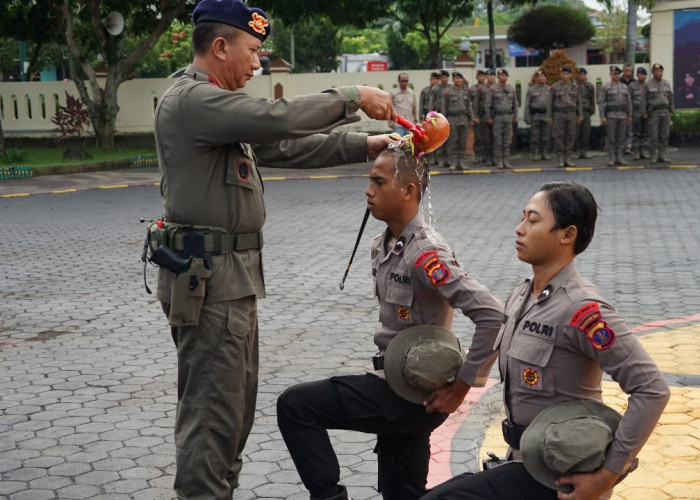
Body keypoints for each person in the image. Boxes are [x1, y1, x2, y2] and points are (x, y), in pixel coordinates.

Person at [151, 1, 395, 497]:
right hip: (211, 283)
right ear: (219, 47)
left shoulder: (217, 110)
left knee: (232, 414)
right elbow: (278, 118)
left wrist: (364, 144)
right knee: (211, 422)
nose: (257, 62)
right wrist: (353, 96)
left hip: (228, 279)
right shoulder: (194, 101)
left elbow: (286, 147)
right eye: (253, 50)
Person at [277, 144, 504, 500]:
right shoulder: (383, 244)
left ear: (408, 191)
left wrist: (462, 387)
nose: (368, 190)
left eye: (378, 182)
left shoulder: (426, 254)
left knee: (296, 406)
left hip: (411, 397)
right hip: (399, 383)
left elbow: (493, 316)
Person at [422, 180, 670, 500]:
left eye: (533, 220)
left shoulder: (583, 310)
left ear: (567, 235)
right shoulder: (521, 295)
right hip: (524, 461)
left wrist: (606, 476)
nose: (519, 228)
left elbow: (652, 389)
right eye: (523, 217)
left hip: (558, 475)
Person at [598, 65, 632, 166]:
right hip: (611, 115)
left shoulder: (624, 87)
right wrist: (602, 116)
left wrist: (629, 115)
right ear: (610, 74)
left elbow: (628, 102)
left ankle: (619, 157)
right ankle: (611, 158)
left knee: (621, 138)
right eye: (614, 74)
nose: (616, 76)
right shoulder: (606, 87)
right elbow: (600, 102)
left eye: (618, 74)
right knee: (611, 138)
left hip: (622, 115)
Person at [549, 65, 582, 168]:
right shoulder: (555, 87)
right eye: (563, 73)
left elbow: (579, 102)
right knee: (559, 136)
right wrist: (549, 117)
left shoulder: (575, 87)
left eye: (567, 74)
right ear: (560, 74)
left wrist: (579, 115)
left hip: (571, 114)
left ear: (570, 75)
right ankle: (560, 158)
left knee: (570, 136)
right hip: (559, 114)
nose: (565, 75)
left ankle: (568, 157)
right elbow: (550, 103)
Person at [641, 63, 675, 163]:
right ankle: (654, 155)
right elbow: (643, 100)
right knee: (653, 135)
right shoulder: (647, 84)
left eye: (660, 71)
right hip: (654, 113)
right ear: (652, 72)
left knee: (664, 134)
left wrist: (671, 109)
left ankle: (662, 155)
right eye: (656, 71)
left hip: (665, 112)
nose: (658, 73)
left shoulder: (666, 83)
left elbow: (671, 97)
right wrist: (644, 112)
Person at [485, 69, 518, 169]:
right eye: (501, 75)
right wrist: (488, 117)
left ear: (507, 77)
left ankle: (506, 160)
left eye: (505, 75)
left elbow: (515, 104)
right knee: (498, 140)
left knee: (507, 139)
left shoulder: (511, 89)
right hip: (498, 117)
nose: (503, 77)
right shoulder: (493, 89)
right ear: (498, 77)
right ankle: (499, 160)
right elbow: (488, 104)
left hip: (508, 117)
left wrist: (515, 116)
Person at [443, 71, 473, 170]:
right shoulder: (448, 91)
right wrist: (443, 121)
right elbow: (444, 107)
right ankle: (453, 162)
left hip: (463, 119)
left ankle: (461, 162)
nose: (458, 80)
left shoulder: (465, 90)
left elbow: (469, 105)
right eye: (456, 78)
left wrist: (471, 118)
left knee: (462, 141)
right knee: (453, 141)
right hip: (452, 119)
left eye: (460, 78)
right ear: (453, 80)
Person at [524, 69, 552, 162]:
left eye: (544, 76)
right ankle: (535, 153)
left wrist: (551, 117)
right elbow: (527, 104)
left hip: (546, 115)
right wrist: (527, 117)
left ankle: (545, 152)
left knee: (546, 135)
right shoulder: (531, 89)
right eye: (540, 76)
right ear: (536, 78)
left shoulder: (549, 89)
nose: (543, 78)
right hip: (535, 115)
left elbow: (552, 104)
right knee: (535, 135)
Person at [430, 70, 452, 167]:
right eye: (442, 77)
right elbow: (431, 102)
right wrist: (431, 116)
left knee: (449, 139)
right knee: (439, 139)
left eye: (446, 77)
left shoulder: (451, 88)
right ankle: (440, 159)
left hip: (450, 116)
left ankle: (449, 159)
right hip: (438, 117)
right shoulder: (436, 89)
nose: (444, 79)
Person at [476, 69, 497, 166]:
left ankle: (494, 157)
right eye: (489, 75)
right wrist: (476, 116)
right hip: (484, 116)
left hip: (496, 116)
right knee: (486, 138)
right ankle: (487, 157)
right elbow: (476, 103)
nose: (491, 77)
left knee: (495, 138)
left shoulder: (498, 87)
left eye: (493, 75)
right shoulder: (481, 88)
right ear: (486, 77)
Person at [628, 67, 649, 160]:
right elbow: (629, 100)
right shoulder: (632, 86)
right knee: (636, 133)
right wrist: (629, 113)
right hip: (636, 111)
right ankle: (636, 151)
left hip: (646, 112)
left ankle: (643, 151)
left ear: (646, 76)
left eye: (643, 74)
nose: (641, 76)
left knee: (645, 133)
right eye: (639, 74)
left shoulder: (648, 86)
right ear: (637, 75)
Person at [575, 67, 596, 159]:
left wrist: (592, 110)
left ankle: (585, 150)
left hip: (586, 111)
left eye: (584, 74)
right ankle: (577, 151)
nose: (582, 76)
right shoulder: (574, 86)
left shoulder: (590, 86)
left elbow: (592, 100)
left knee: (586, 132)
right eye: (580, 74)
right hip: (576, 112)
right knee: (576, 132)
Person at [468, 70, 487, 163]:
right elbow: (469, 104)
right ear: (476, 77)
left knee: (487, 137)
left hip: (486, 116)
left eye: (483, 76)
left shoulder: (489, 88)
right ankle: (478, 155)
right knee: (478, 137)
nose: (481, 78)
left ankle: (486, 156)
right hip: (477, 116)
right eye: (479, 76)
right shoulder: (472, 89)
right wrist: (473, 117)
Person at [620, 63, 636, 155]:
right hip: (621, 109)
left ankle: (628, 148)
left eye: (630, 70)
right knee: (621, 130)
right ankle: (620, 147)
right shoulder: (619, 81)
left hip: (632, 109)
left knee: (629, 130)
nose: (628, 72)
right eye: (626, 70)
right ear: (623, 71)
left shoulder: (634, 82)